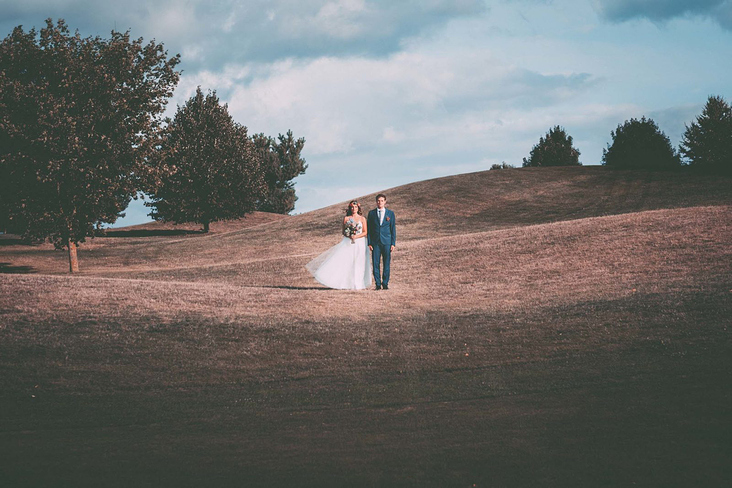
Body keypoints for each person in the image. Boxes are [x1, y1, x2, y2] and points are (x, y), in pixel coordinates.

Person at [305, 200, 372, 290]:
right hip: (349, 242)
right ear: (350, 208)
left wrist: (356, 236)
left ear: (358, 208)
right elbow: (343, 231)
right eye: (352, 207)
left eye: (355, 207)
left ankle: (358, 284)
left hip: (360, 242)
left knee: (359, 263)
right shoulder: (346, 219)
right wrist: (349, 235)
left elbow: (365, 232)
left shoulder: (362, 219)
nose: (354, 209)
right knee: (348, 263)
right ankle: (348, 284)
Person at [367, 193, 396, 290]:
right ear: (376, 202)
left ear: (385, 202)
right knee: (375, 263)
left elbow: (393, 229)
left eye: (382, 201)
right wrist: (369, 243)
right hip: (375, 243)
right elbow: (369, 230)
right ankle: (378, 284)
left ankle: (385, 283)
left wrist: (393, 243)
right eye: (378, 201)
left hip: (386, 242)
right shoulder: (371, 213)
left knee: (386, 263)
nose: (380, 202)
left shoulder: (390, 213)